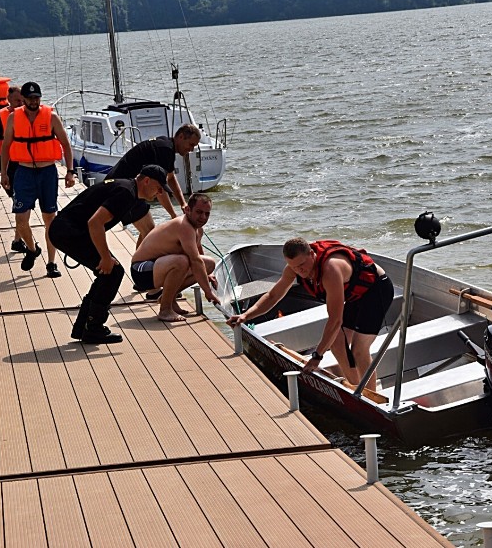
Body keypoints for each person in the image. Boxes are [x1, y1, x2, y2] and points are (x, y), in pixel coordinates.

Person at [227, 238, 394, 391]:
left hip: (376, 290)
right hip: (355, 294)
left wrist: (317, 356)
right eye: (294, 267)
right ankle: (357, 387)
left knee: (359, 348)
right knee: (336, 343)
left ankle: (372, 395)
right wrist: (246, 316)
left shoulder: (330, 270)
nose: (300, 271)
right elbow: (273, 296)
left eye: (302, 265)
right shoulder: (293, 269)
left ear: (312, 254)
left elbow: (335, 321)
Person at [49, 165, 171, 344]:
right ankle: (93, 327)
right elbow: (95, 223)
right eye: (159, 188)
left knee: (109, 273)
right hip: (68, 231)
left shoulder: (129, 190)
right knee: (112, 272)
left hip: (68, 229)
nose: (160, 193)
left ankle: (85, 325)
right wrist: (105, 257)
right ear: (147, 181)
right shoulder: (126, 193)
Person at [0, 81, 75, 278]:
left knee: (50, 218)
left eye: (37, 98)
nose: (34, 101)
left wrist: (70, 171)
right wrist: (4, 173)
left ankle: (51, 263)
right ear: (23, 99)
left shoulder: (51, 117)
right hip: (23, 173)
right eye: (30, 98)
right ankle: (32, 249)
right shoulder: (14, 118)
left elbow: (66, 145)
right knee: (21, 218)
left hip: (47, 171)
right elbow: (6, 147)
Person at [105, 123, 201, 249]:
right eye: (191, 144)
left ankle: (136, 264)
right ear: (181, 137)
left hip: (125, 187)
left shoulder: (166, 145)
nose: (191, 149)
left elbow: (170, 177)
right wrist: (173, 215)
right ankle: (138, 265)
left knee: (147, 231)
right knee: (149, 230)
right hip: (122, 190)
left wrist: (183, 203)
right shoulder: (165, 150)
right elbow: (160, 190)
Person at [130, 192, 219, 322]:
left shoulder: (198, 229)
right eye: (199, 212)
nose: (203, 217)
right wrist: (208, 291)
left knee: (209, 264)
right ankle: (165, 310)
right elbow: (194, 260)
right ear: (188, 210)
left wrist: (207, 274)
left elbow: (198, 254)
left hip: (159, 266)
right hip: (140, 270)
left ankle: (168, 299)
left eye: (207, 214)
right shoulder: (184, 226)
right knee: (181, 261)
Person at [0, 86, 26, 250]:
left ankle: (18, 240)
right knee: (21, 203)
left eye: (23, 101)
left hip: (28, 165)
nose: (20, 104)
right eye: (17, 101)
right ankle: (21, 241)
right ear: (9, 100)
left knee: (22, 204)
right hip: (9, 167)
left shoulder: (30, 115)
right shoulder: (0, 118)